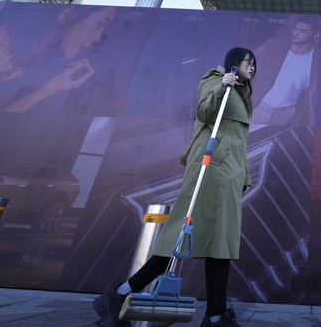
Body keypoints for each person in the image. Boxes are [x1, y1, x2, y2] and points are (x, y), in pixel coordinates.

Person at [93, 47, 257, 327]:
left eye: (254, 64)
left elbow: (238, 141)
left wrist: (244, 176)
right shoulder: (216, 78)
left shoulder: (243, 92)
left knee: (221, 243)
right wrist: (222, 87)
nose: (252, 68)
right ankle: (121, 294)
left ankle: (213, 315)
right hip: (210, 169)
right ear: (233, 63)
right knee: (183, 235)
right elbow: (205, 112)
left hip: (228, 174)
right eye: (247, 62)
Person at [250, 16, 318, 131]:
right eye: (295, 29)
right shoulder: (273, 46)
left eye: (302, 31)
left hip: (287, 113)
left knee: (267, 144)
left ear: (315, 34)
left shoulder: (316, 60)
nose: (296, 33)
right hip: (259, 105)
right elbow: (247, 63)